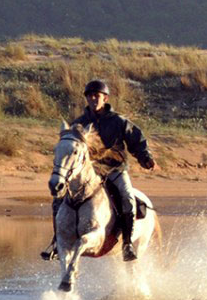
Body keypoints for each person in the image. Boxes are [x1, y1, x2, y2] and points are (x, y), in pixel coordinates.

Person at [49, 79, 155, 261]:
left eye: (97, 96)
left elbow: (136, 140)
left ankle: (127, 243)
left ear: (105, 98)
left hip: (115, 170)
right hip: (89, 173)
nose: (93, 99)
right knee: (58, 200)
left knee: (127, 197)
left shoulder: (119, 122)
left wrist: (145, 157)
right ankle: (56, 243)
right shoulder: (79, 124)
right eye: (90, 96)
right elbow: (70, 148)